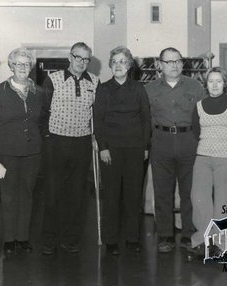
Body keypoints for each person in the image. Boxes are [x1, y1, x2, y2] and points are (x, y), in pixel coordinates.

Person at [40, 42, 99, 255]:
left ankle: (70, 238)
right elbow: (44, 112)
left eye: (86, 59)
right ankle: (49, 239)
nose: (82, 62)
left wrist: (94, 136)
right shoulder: (53, 79)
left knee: (76, 193)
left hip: (81, 143)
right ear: (70, 57)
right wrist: (47, 140)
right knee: (53, 192)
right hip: (56, 141)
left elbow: (96, 115)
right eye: (78, 57)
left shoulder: (94, 81)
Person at [145, 47, 204, 253]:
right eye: (169, 62)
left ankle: (189, 233)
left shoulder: (195, 86)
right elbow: (146, 119)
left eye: (178, 61)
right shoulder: (149, 89)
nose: (174, 65)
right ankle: (165, 236)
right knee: (162, 191)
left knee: (190, 191)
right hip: (161, 141)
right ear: (159, 64)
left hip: (189, 141)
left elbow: (203, 116)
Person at [94, 46, 151, 255]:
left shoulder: (138, 88)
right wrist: (103, 148)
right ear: (110, 65)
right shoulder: (104, 88)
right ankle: (110, 240)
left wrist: (145, 147)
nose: (118, 65)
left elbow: (146, 119)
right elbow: (98, 121)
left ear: (129, 66)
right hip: (111, 150)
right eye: (115, 61)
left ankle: (132, 238)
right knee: (111, 195)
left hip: (135, 149)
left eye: (122, 61)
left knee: (133, 195)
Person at [0, 47, 43, 255]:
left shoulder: (39, 92)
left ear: (30, 66)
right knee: (9, 195)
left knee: (27, 194)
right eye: (18, 63)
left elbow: (42, 122)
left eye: (26, 64)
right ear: (11, 66)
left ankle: (23, 237)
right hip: (5, 152)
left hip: (32, 152)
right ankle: (9, 238)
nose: (22, 67)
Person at [188, 67, 227, 257]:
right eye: (211, 81)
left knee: (223, 202)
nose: (215, 85)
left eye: (219, 81)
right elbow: (195, 131)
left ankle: (221, 244)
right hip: (203, 158)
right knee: (199, 200)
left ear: (225, 84)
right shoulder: (199, 105)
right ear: (206, 84)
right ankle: (202, 241)